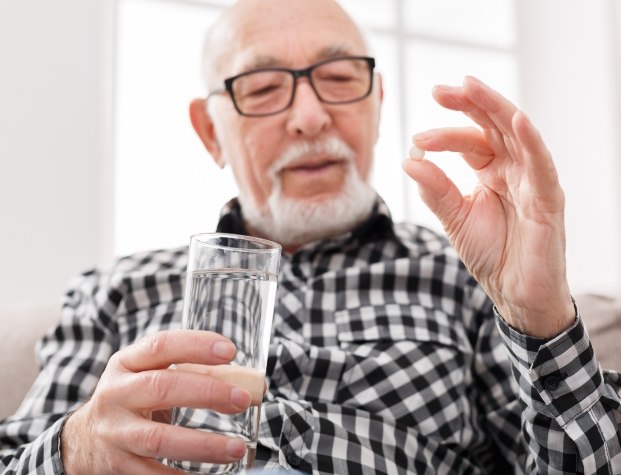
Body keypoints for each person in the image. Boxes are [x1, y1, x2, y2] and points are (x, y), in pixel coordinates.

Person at [1, 0, 620, 473]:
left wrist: (540, 318)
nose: (309, 118)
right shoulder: (117, 291)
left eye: (340, 78)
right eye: (264, 88)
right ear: (209, 132)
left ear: (378, 102)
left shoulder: (469, 280)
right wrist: (77, 446)